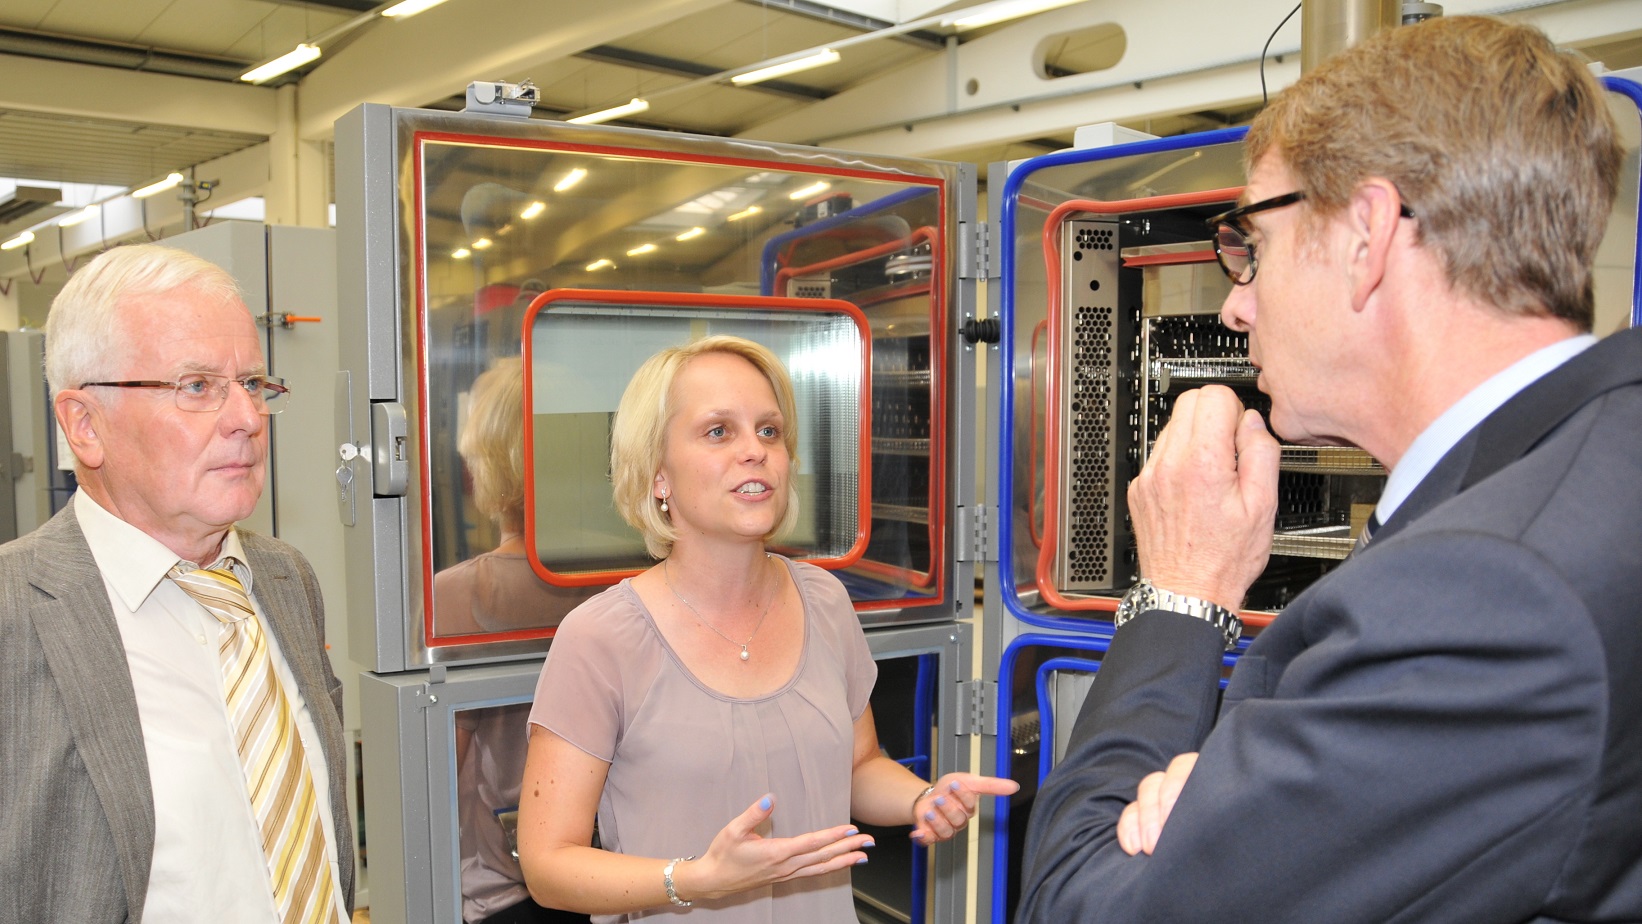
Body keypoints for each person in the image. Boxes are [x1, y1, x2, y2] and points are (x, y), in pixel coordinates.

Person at [1019, 16, 1641, 923]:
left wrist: (1180, 595)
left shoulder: (1491, 599)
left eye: (1253, 246)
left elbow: (1082, 905)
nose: (1236, 306)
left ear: (1368, 236)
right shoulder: (1598, 462)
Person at [517, 335, 1017, 921]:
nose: (755, 450)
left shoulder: (825, 602)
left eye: (769, 431)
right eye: (718, 432)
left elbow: (856, 768)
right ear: (658, 475)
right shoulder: (600, 639)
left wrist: (922, 798)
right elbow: (548, 864)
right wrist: (695, 880)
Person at [0, 244, 354, 924]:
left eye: (252, 383)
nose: (247, 419)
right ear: (84, 425)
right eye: (196, 387)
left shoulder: (284, 582)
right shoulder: (19, 613)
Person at [435, 358, 585, 924]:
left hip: (499, 894)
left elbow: (433, 776)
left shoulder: (456, 596)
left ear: (483, 465)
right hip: (620, 879)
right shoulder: (635, 585)